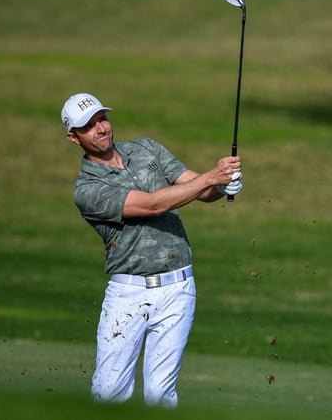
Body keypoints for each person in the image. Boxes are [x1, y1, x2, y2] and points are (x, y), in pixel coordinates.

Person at [61, 92, 243, 407]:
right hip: (128, 295)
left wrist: (222, 184)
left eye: (102, 118)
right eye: (88, 126)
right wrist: (211, 177)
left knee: (161, 395)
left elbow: (198, 189)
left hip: (178, 288)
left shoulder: (146, 149)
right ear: (73, 137)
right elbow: (152, 205)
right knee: (109, 393)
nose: (101, 128)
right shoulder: (87, 190)